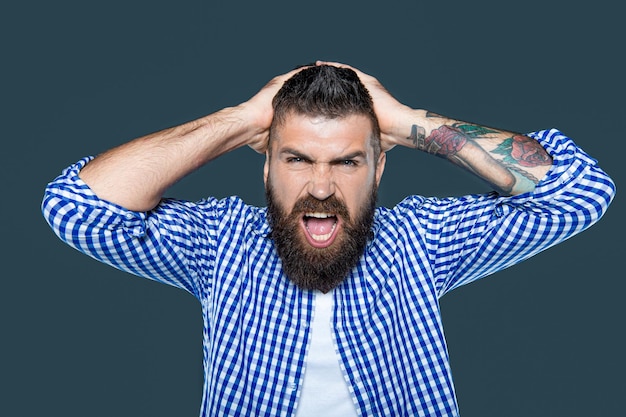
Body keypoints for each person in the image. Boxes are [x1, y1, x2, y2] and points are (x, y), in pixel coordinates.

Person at [42, 61, 615, 416]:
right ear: (266, 166)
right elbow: (77, 207)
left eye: (346, 161)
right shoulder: (219, 242)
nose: (321, 185)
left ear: (379, 169)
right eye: (296, 158)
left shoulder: (421, 239)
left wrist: (403, 120)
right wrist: (244, 118)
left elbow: (580, 191)